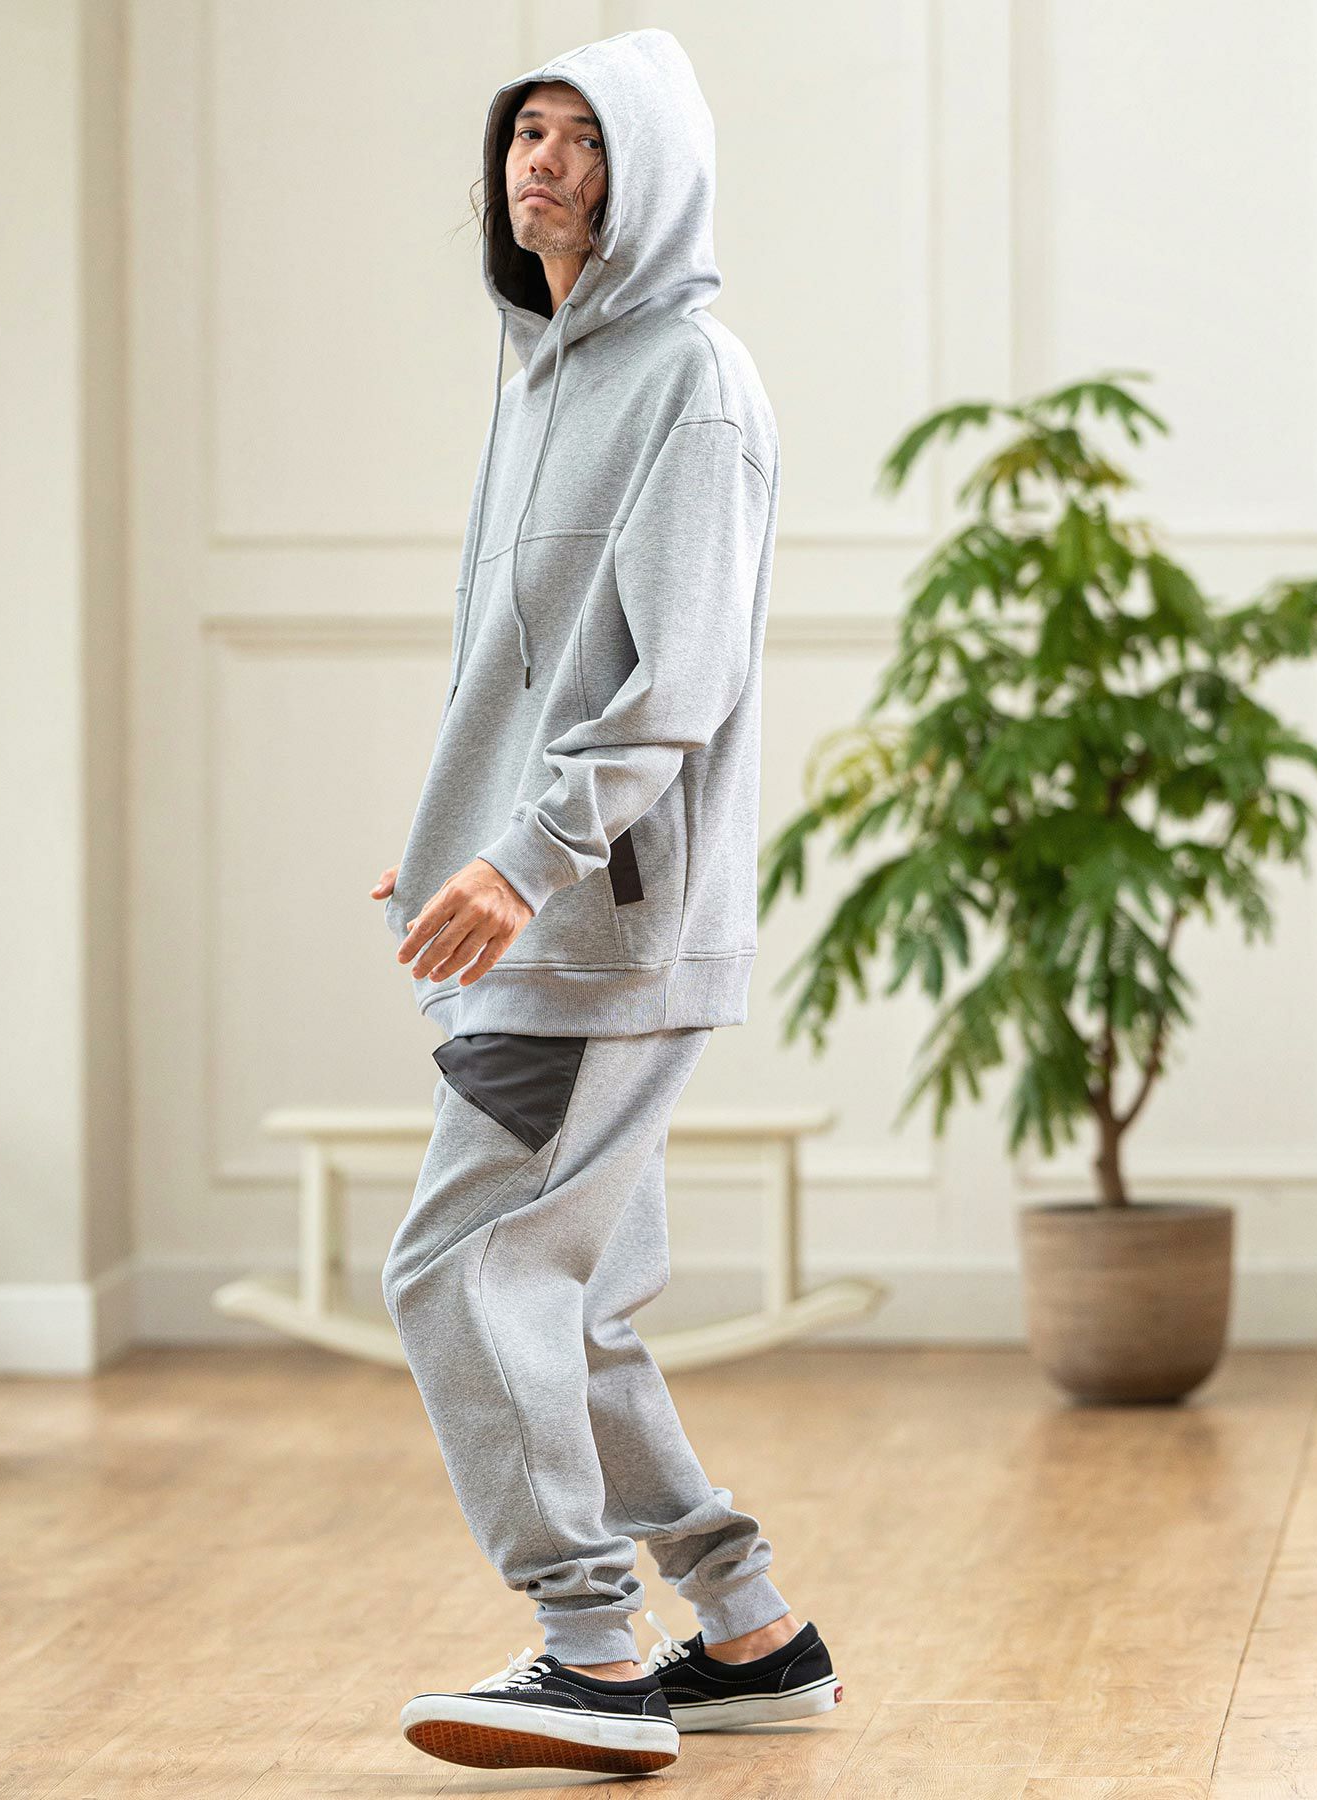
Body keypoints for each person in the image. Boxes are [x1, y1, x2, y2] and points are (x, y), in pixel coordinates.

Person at [371, 27, 839, 1777]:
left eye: (583, 138)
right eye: (527, 133)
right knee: (572, 1302)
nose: (543, 163)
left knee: (458, 1265)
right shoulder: (545, 375)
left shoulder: (689, 382)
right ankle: (750, 1629)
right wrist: (461, 839)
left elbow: (677, 678)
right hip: (553, 904)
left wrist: (531, 856)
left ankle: (589, 1650)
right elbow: (533, 667)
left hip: (600, 934)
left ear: (654, 177)